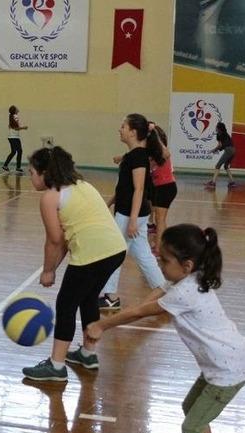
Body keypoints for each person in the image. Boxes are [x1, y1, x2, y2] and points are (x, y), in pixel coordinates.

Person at [86, 224, 245, 433]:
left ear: (186, 265)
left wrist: (101, 324)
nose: (159, 263)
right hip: (222, 362)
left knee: (191, 427)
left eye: (164, 259)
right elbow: (157, 292)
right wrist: (139, 305)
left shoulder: (185, 292)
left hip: (227, 370)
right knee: (191, 407)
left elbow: (142, 312)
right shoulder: (193, 275)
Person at [21, 146, 126, 382]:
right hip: (115, 250)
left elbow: (54, 241)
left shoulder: (50, 197)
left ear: (45, 172)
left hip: (93, 253)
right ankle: (88, 354)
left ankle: (56, 366)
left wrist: (49, 271)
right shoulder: (83, 185)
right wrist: (53, 269)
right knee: (88, 298)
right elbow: (68, 238)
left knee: (66, 303)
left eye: (31, 172)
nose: (30, 177)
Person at [98, 114, 166, 310]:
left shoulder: (137, 157)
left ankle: (110, 297)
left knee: (114, 252)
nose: (120, 129)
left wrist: (133, 220)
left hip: (130, 214)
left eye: (123, 126)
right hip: (131, 212)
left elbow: (139, 189)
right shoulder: (134, 155)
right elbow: (124, 189)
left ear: (133, 132)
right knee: (143, 253)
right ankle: (163, 288)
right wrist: (110, 203)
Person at [147, 123, 177, 254]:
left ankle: (159, 249)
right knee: (160, 220)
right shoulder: (153, 154)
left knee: (160, 220)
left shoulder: (162, 151)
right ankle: (161, 247)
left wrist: (154, 132)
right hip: (162, 187)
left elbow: (166, 152)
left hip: (166, 187)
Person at [206, 122, 236, 188]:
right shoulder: (226, 134)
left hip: (228, 150)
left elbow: (220, 145)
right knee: (226, 166)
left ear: (219, 128)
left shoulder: (219, 135)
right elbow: (224, 144)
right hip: (233, 150)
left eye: (216, 127)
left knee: (218, 165)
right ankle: (232, 182)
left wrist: (213, 150)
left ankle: (213, 183)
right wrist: (217, 150)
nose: (215, 128)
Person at [2, 105, 28, 174]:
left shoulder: (11, 116)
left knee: (14, 151)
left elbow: (12, 126)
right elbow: (16, 128)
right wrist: (24, 127)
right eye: (16, 108)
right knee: (19, 151)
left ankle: (5, 165)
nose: (17, 108)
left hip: (11, 137)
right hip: (14, 137)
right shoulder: (15, 116)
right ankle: (18, 167)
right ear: (15, 110)